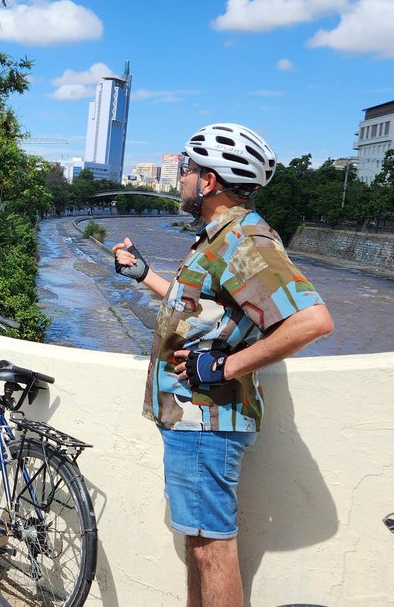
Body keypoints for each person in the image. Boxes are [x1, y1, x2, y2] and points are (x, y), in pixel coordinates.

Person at [114, 123, 334, 607]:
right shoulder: (219, 239)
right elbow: (200, 312)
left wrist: (224, 367)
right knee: (200, 545)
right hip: (192, 420)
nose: (182, 179)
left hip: (206, 422)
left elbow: (312, 321)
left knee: (212, 550)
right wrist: (143, 273)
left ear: (209, 182)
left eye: (188, 171)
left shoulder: (244, 241)